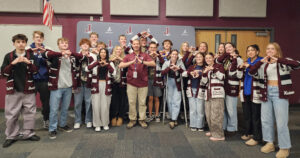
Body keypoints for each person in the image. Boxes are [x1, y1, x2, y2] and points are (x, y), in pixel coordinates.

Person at [249, 42, 300, 158]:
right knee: (266, 120)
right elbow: (251, 72)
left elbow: (297, 65)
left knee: (281, 122)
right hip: (266, 92)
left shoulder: (284, 61)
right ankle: (269, 143)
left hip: (280, 93)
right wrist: (259, 63)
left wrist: (278, 60)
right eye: (268, 49)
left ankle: (284, 147)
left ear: (277, 51)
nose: (270, 51)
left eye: (272, 49)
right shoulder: (263, 64)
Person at [1, 34, 40, 148]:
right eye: (18, 42)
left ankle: (29, 133)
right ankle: (11, 136)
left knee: (30, 113)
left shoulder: (32, 55)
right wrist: (13, 63)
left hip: (29, 89)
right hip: (13, 90)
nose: (21, 44)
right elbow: (3, 73)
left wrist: (29, 63)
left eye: (23, 42)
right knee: (11, 114)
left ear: (26, 43)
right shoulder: (9, 56)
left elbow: (36, 71)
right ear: (14, 43)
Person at [43, 37, 84, 139]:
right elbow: (45, 54)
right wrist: (61, 53)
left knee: (65, 108)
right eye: (62, 43)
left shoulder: (72, 57)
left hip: (68, 86)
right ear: (58, 45)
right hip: (57, 87)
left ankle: (62, 124)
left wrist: (71, 54)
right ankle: (52, 128)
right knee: (54, 109)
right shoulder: (54, 56)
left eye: (66, 43)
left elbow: (82, 57)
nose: (64, 44)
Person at [119, 39, 155, 129]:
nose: (136, 45)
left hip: (143, 82)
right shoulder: (128, 56)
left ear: (140, 45)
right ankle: (132, 120)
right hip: (131, 82)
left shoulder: (145, 55)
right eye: (134, 44)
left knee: (142, 102)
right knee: (132, 102)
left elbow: (153, 63)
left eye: (137, 44)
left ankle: (142, 119)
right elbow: (120, 65)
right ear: (132, 45)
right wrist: (131, 62)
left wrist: (142, 62)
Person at [216, 42, 243, 136]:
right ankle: (224, 127)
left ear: (234, 48)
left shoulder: (239, 59)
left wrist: (234, 58)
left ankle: (232, 128)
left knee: (231, 109)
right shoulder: (226, 59)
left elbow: (237, 74)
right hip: (224, 85)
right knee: (224, 109)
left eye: (229, 47)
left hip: (232, 86)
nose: (227, 48)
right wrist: (226, 54)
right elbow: (218, 61)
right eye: (226, 47)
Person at [26, 31, 51, 129]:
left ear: (43, 39)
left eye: (40, 37)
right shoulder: (28, 49)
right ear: (33, 38)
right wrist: (33, 52)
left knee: (46, 102)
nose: (38, 39)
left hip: (44, 80)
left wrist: (44, 54)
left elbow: (51, 63)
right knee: (29, 103)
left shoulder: (47, 49)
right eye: (36, 37)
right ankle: (29, 124)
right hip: (31, 80)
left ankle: (46, 120)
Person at [239, 44, 263, 146]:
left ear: (257, 52)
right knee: (247, 114)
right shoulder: (246, 61)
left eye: (252, 50)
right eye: (248, 50)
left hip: (256, 92)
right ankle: (249, 132)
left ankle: (257, 137)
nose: (250, 52)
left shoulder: (261, 61)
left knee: (256, 115)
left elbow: (260, 74)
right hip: (246, 91)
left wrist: (250, 66)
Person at [88, 48, 115, 131]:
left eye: (104, 52)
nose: (103, 54)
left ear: (107, 54)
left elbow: (114, 73)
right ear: (99, 54)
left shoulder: (110, 63)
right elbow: (87, 68)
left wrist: (107, 65)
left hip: (106, 85)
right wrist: (97, 63)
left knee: (105, 105)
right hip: (96, 85)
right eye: (101, 52)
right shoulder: (95, 62)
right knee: (96, 105)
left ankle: (105, 123)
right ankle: (97, 124)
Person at [201, 52, 225, 141]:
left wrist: (214, 69)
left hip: (217, 95)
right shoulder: (206, 68)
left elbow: (222, 77)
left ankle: (219, 135)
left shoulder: (219, 66)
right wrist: (204, 73)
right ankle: (213, 131)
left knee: (216, 115)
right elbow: (204, 82)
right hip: (208, 94)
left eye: (209, 58)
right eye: (206, 58)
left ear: (213, 58)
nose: (208, 60)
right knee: (209, 115)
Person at [161, 50, 186, 129]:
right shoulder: (166, 63)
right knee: (170, 101)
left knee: (177, 101)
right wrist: (169, 68)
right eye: (173, 54)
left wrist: (178, 68)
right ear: (170, 55)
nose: (174, 56)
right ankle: (173, 118)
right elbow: (162, 73)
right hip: (169, 82)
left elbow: (185, 73)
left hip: (178, 83)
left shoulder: (180, 62)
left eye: (176, 54)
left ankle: (173, 119)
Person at [73, 38, 94, 129]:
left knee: (88, 102)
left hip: (89, 82)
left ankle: (88, 120)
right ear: (80, 46)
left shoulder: (93, 55)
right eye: (83, 44)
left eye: (87, 44)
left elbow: (94, 68)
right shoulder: (76, 55)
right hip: (78, 82)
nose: (85, 46)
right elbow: (74, 67)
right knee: (77, 103)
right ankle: (77, 121)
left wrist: (88, 57)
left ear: (89, 46)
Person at [146, 42, 165, 123]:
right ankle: (150, 115)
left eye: (154, 47)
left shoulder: (158, 56)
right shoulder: (146, 56)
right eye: (151, 47)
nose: (152, 49)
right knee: (150, 98)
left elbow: (164, 64)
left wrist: (158, 56)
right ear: (148, 48)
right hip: (148, 79)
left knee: (157, 98)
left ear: (156, 48)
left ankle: (157, 115)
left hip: (157, 79)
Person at [186, 52, 206, 131]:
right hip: (191, 89)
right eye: (197, 57)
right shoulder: (192, 67)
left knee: (200, 109)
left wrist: (200, 75)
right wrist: (189, 73)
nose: (198, 58)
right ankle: (193, 125)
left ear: (203, 58)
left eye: (200, 57)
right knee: (193, 109)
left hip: (201, 89)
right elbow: (185, 73)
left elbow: (207, 78)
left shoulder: (205, 67)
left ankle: (200, 125)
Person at [109, 46, 127, 126]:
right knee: (113, 101)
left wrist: (121, 60)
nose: (118, 51)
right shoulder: (110, 59)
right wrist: (111, 61)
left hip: (122, 83)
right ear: (114, 50)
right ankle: (113, 116)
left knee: (122, 101)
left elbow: (128, 67)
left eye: (120, 50)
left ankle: (120, 117)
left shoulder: (125, 58)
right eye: (117, 49)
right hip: (112, 83)